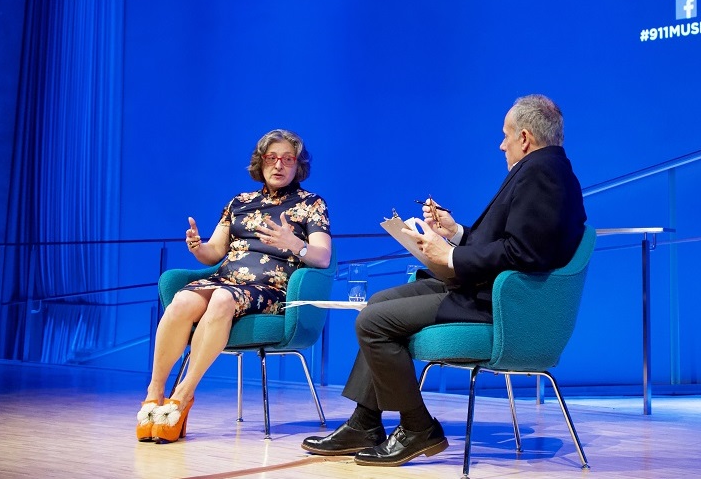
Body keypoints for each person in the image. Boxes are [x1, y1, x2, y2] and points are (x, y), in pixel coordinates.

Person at [301, 94, 585, 467]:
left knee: (372, 322)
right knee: (378, 304)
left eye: (506, 135)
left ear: (526, 137)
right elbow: (514, 242)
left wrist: (449, 255)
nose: (501, 144)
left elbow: (523, 254)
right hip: (482, 289)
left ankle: (419, 428)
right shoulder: (546, 170)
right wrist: (457, 233)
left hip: (498, 305)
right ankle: (365, 423)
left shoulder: (543, 173)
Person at [136, 129, 332, 443]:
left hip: (269, 290)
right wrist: (198, 247)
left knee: (222, 300)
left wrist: (294, 243)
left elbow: (322, 257)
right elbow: (215, 251)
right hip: (226, 279)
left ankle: (183, 395)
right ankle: (154, 392)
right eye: (271, 158)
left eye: (287, 159)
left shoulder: (311, 204)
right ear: (261, 162)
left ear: (298, 166)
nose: (278, 165)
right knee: (182, 303)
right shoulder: (240, 202)